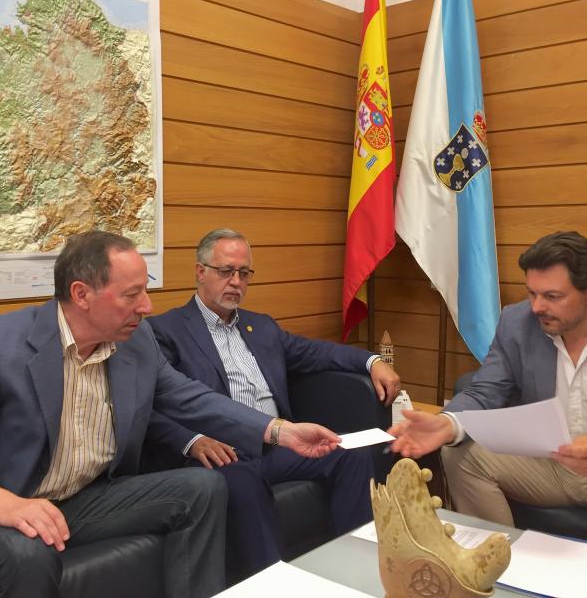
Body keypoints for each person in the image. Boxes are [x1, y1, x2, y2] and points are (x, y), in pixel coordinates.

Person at [0, 231, 341, 598]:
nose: (147, 307)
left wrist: (278, 430)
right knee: (29, 554)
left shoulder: (136, 345)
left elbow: (191, 399)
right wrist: (3, 504)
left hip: (85, 497)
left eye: (146, 290)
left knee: (204, 487)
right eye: (131, 294)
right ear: (82, 294)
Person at [389, 231, 587, 569]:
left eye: (551, 296)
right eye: (532, 293)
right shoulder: (516, 323)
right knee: (460, 453)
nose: (537, 307)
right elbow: (484, 391)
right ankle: (499, 571)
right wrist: (446, 423)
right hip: (548, 465)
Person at [145, 228, 401, 580]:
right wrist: (191, 441)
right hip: (223, 454)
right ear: (200, 271)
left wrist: (371, 361)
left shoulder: (261, 327)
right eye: (225, 271)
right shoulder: (166, 330)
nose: (236, 282)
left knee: (350, 454)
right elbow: (156, 401)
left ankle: (361, 570)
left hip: (278, 446)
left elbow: (316, 352)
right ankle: (272, 584)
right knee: (242, 481)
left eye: (244, 273)